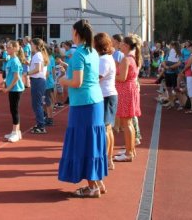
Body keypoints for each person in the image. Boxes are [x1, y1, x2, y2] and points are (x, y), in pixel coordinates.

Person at [58, 20, 107, 198]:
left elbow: (77, 82)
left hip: (84, 104)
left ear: (77, 33)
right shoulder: (92, 51)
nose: (72, 35)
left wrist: (63, 80)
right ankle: (98, 181)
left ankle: (93, 186)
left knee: (84, 143)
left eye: (72, 32)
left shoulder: (78, 53)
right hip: (95, 101)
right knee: (93, 142)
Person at [114, 35, 142, 162]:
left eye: (121, 44)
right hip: (130, 90)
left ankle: (129, 152)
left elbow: (122, 78)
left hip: (126, 91)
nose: (119, 45)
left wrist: (110, 75)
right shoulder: (132, 58)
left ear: (125, 45)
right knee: (128, 123)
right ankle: (130, 150)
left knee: (127, 123)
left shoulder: (127, 59)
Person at [94, 33, 118, 171]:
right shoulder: (107, 58)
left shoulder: (103, 59)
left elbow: (97, 77)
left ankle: (107, 158)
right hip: (109, 94)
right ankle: (108, 158)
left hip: (106, 96)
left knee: (105, 128)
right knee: (108, 128)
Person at [1, 40, 26, 143]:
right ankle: (16, 131)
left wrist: (8, 88)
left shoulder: (15, 61)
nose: (7, 49)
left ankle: (16, 132)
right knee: (13, 110)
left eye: (10, 47)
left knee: (14, 110)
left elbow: (16, 78)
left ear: (15, 49)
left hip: (16, 89)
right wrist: (4, 81)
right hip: (13, 88)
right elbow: (10, 75)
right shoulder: (10, 60)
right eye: (7, 47)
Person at [27, 38, 48, 134]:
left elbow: (38, 69)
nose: (30, 46)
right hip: (38, 80)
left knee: (37, 104)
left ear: (35, 45)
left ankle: (41, 126)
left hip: (38, 81)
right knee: (36, 104)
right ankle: (40, 123)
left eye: (31, 44)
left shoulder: (37, 55)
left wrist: (27, 73)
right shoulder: (39, 55)